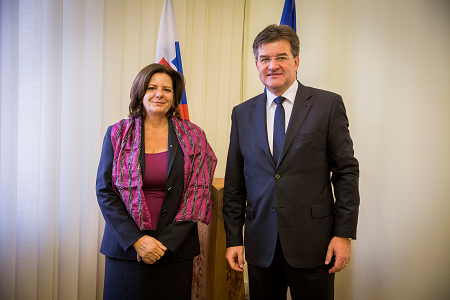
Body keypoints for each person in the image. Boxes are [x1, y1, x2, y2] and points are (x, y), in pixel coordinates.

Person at [222, 24, 360, 300]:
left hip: (314, 246)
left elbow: (345, 172)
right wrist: (233, 238)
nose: (272, 65)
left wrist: (343, 235)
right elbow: (235, 181)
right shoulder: (242, 113)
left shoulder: (327, 105)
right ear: (257, 64)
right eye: (265, 59)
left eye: (281, 57)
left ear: (296, 61)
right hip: (261, 246)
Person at [96, 63, 217, 300]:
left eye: (167, 89)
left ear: (175, 97)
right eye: (152, 87)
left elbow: (198, 193)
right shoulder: (117, 133)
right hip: (126, 248)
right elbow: (105, 191)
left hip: (174, 250)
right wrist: (137, 240)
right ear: (140, 93)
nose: (159, 94)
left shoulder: (194, 136)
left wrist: (163, 244)